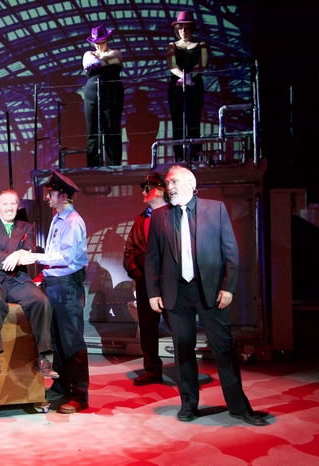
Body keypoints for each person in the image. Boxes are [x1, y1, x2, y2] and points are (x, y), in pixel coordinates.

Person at [144, 165, 267, 426]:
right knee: (183, 349)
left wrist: (228, 287)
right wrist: (153, 292)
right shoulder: (159, 216)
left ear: (191, 184)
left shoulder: (216, 209)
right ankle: (188, 404)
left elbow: (230, 252)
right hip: (176, 293)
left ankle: (239, 407)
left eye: (174, 182)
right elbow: (152, 258)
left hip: (209, 291)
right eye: (167, 183)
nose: (169, 187)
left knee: (223, 348)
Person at [0, 189, 58, 378]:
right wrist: (15, 256)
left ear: (18, 207)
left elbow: (29, 250)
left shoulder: (26, 227)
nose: (9, 208)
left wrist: (19, 254)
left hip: (16, 278)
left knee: (41, 301)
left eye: (13, 204)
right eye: (5, 204)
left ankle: (44, 357)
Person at [24, 171, 89, 414]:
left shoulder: (72, 221)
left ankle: (80, 395)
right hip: (55, 285)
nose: (47, 197)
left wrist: (34, 257)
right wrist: (42, 275)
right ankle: (61, 387)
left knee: (71, 341)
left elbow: (66, 257)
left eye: (50, 193)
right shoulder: (59, 219)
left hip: (67, 287)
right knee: (57, 340)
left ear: (62, 195)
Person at [123, 172, 169, 386]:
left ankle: (186, 371)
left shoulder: (174, 215)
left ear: (159, 190)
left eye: (147, 188)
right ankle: (152, 371)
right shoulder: (140, 219)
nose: (143, 192)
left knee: (179, 329)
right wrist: (140, 277)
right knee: (148, 331)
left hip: (170, 286)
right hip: (145, 285)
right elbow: (129, 252)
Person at [166, 11, 208, 162]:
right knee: (177, 121)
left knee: (194, 120)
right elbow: (172, 65)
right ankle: (179, 156)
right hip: (176, 86)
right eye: (181, 28)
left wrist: (190, 77)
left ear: (192, 29)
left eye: (186, 28)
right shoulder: (172, 46)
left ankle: (195, 155)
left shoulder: (200, 45)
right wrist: (183, 77)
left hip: (195, 85)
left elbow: (202, 65)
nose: (183, 31)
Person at [82, 25, 124, 167]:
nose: (99, 45)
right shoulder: (88, 53)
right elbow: (87, 62)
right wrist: (96, 60)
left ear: (108, 40)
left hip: (112, 95)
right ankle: (93, 166)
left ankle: (114, 165)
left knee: (112, 129)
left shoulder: (116, 53)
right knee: (92, 132)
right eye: (96, 43)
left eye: (102, 42)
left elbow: (109, 59)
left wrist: (98, 61)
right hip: (92, 95)